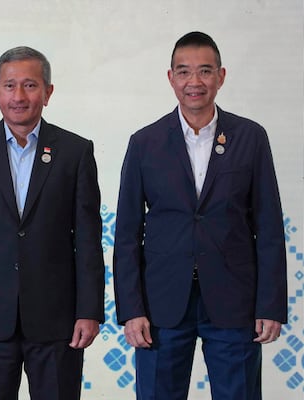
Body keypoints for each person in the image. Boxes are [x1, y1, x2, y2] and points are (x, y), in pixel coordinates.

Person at [113, 31, 287, 399]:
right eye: (184, 72)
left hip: (233, 303)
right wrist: (131, 310)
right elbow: (127, 234)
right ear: (171, 78)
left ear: (221, 77)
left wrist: (270, 305)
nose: (195, 82)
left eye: (205, 71)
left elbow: (269, 227)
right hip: (161, 307)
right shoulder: (145, 143)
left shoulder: (250, 138)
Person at [0, 46, 105, 400]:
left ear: (47, 92)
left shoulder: (75, 151)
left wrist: (89, 310)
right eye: (10, 86)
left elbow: (89, 239)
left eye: (30, 85)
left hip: (58, 320)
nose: (19, 96)